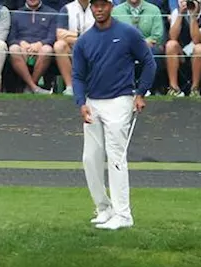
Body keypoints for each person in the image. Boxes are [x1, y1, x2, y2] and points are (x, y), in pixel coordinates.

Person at [71, 0, 155, 230]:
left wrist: (140, 93)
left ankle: (123, 214)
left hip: (120, 100)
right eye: (94, 6)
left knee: (116, 156)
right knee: (90, 158)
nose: (98, 9)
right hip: (93, 102)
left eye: (102, 5)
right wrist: (81, 102)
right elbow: (77, 76)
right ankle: (104, 208)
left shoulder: (127, 33)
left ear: (110, 6)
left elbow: (148, 62)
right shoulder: (84, 41)